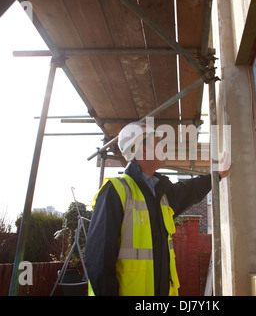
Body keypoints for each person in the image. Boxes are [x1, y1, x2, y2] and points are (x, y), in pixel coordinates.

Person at [85, 121, 230, 296]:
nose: (163, 147)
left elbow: (189, 190)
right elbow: (98, 261)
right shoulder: (115, 192)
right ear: (144, 149)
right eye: (157, 142)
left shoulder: (161, 194)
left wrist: (218, 175)